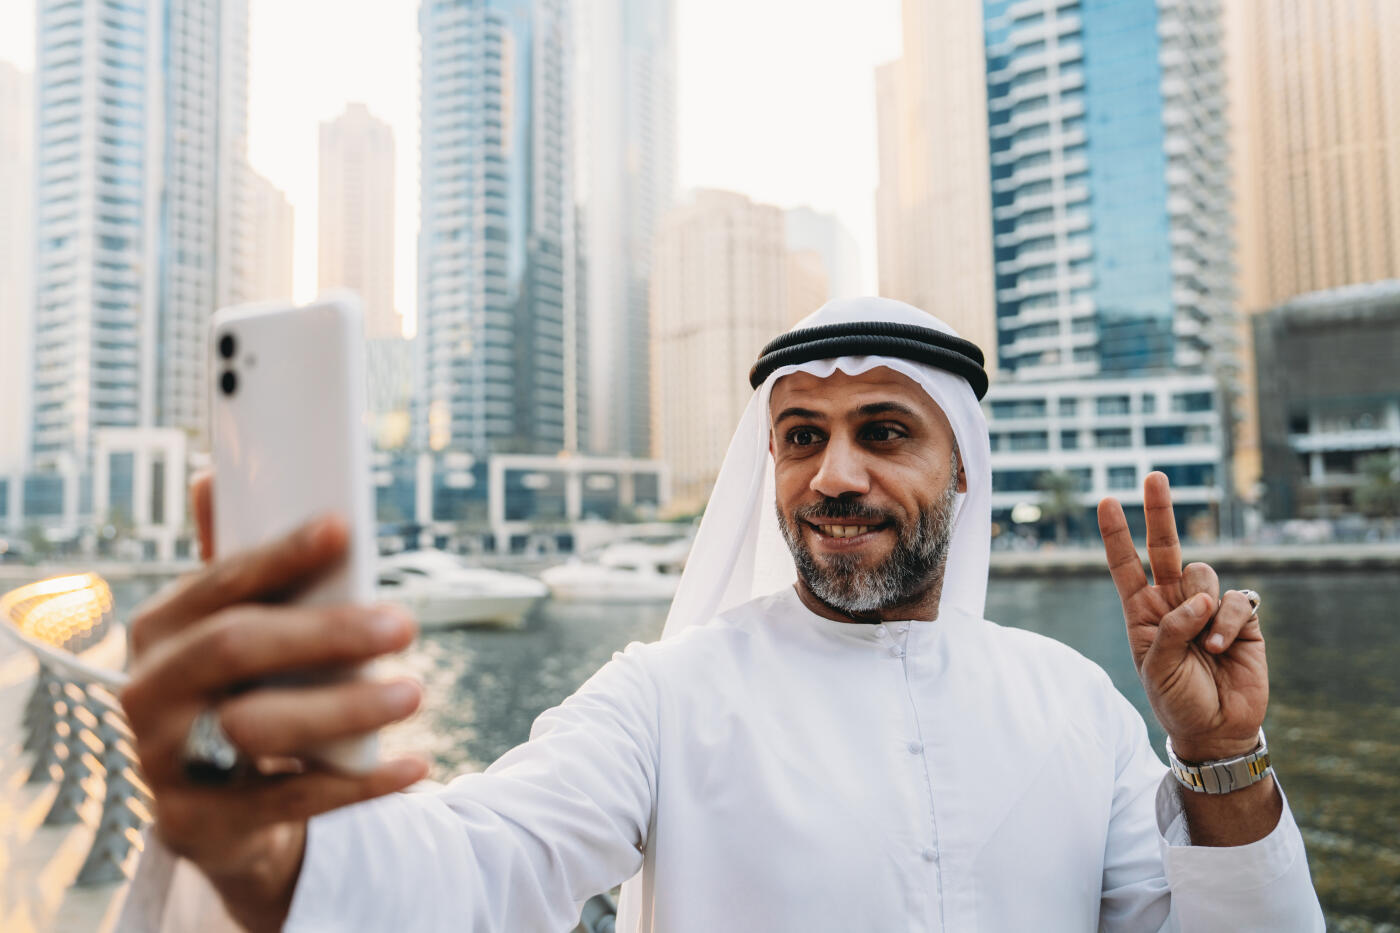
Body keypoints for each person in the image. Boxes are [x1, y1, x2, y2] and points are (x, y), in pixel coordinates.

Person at [119, 298, 1323, 931]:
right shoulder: (667, 692)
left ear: (964, 468)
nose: (834, 475)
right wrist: (281, 853)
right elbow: (488, 865)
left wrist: (1220, 764)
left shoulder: (1069, 701)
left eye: (884, 433)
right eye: (801, 438)